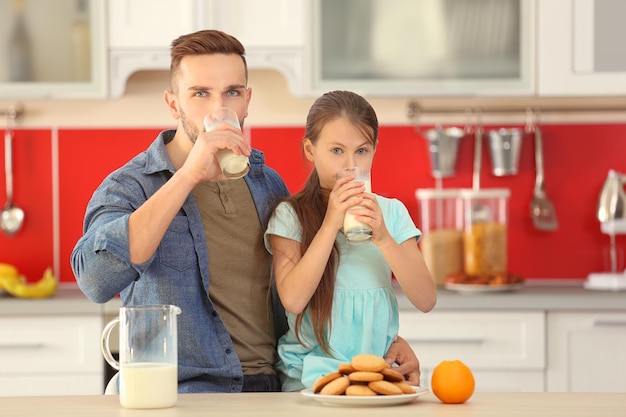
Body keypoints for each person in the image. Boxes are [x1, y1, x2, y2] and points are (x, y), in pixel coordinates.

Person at [71, 30, 422, 393]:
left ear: (247, 101)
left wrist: (382, 344)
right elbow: (95, 281)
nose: (217, 108)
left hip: (272, 387)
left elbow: (312, 290)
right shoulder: (131, 186)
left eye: (232, 93)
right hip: (179, 391)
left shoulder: (267, 185)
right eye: (200, 93)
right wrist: (189, 175)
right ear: (173, 104)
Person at [264, 90, 437, 391]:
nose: (349, 165)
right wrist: (331, 223)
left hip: (372, 374)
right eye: (336, 150)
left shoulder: (391, 213)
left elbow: (426, 299)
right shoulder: (290, 216)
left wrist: (383, 237)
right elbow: (293, 299)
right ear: (310, 149)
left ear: (374, 150)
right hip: (308, 375)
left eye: (361, 151)